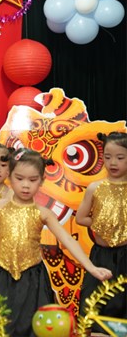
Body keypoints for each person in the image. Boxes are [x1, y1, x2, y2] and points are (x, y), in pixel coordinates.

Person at [0, 148, 113, 337]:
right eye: (19, 178)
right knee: (0, 326)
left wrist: (91, 268)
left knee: (34, 327)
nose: (26, 185)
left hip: (33, 279)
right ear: (9, 176)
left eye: (33, 180)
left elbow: (67, 239)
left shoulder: (43, 213)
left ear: (42, 181)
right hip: (1, 274)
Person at [76, 132, 127, 324]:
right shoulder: (95, 188)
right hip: (101, 255)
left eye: (120, 158)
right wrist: (102, 222)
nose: (113, 162)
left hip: (125, 254)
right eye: (108, 157)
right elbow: (81, 218)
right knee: (94, 303)